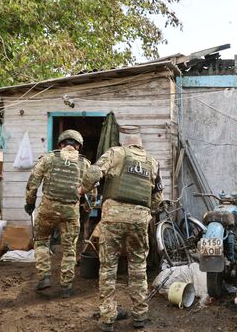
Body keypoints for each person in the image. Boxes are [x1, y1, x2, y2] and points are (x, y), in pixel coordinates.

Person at [80, 125, 163, 332]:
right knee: (138, 266)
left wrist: (82, 189)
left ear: (125, 143)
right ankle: (140, 315)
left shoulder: (116, 153)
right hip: (140, 220)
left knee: (108, 267)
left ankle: (108, 317)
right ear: (140, 145)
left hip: (113, 217)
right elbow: (158, 197)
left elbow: (93, 172)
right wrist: (145, 214)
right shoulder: (152, 162)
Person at [24, 129, 90, 298]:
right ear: (78, 146)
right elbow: (91, 191)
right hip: (70, 210)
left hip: (47, 209)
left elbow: (33, 183)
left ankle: (44, 278)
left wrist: (30, 203)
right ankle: (66, 287)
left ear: (61, 144)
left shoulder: (48, 158)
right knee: (69, 249)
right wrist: (85, 208)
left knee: (41, 242)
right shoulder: (85, 164)